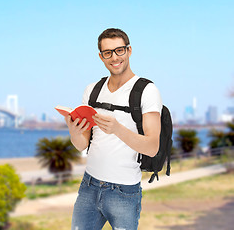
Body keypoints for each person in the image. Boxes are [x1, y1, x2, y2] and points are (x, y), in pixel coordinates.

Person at [65, 28, 162, 230]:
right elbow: (82, 144)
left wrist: (117, 129)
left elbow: (152, 147)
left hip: (124, 192)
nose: (115, 57)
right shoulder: (92, 90)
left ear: (129, 50)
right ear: (101, 56)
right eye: (108, 52)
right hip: (89, 186)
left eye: (119, 50)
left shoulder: (147, 91)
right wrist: (74, 132)